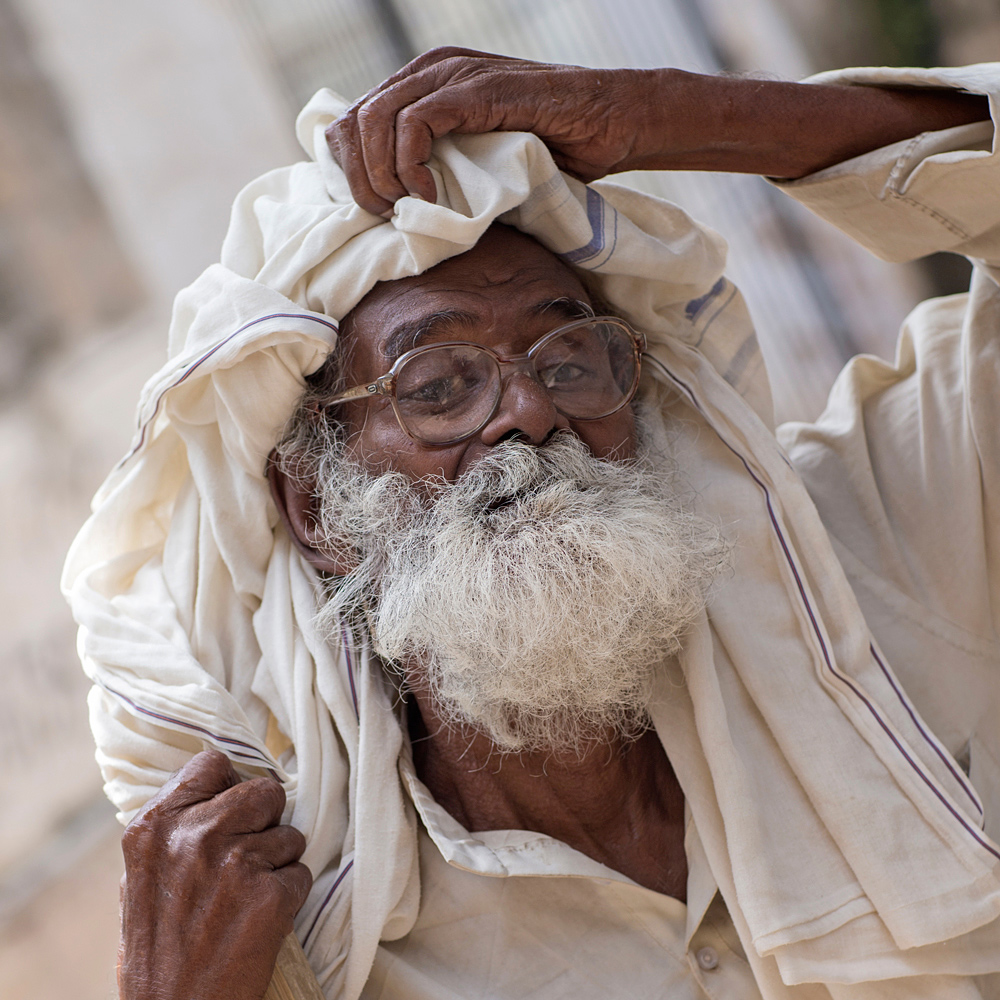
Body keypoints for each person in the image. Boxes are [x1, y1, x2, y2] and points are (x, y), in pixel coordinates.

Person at [63, 48, 1000, 1000]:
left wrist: (670, 112)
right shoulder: (314, 941)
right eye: (438, 386)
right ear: (315, 510)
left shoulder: (867, 554)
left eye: (569, 360)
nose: (529, 412)